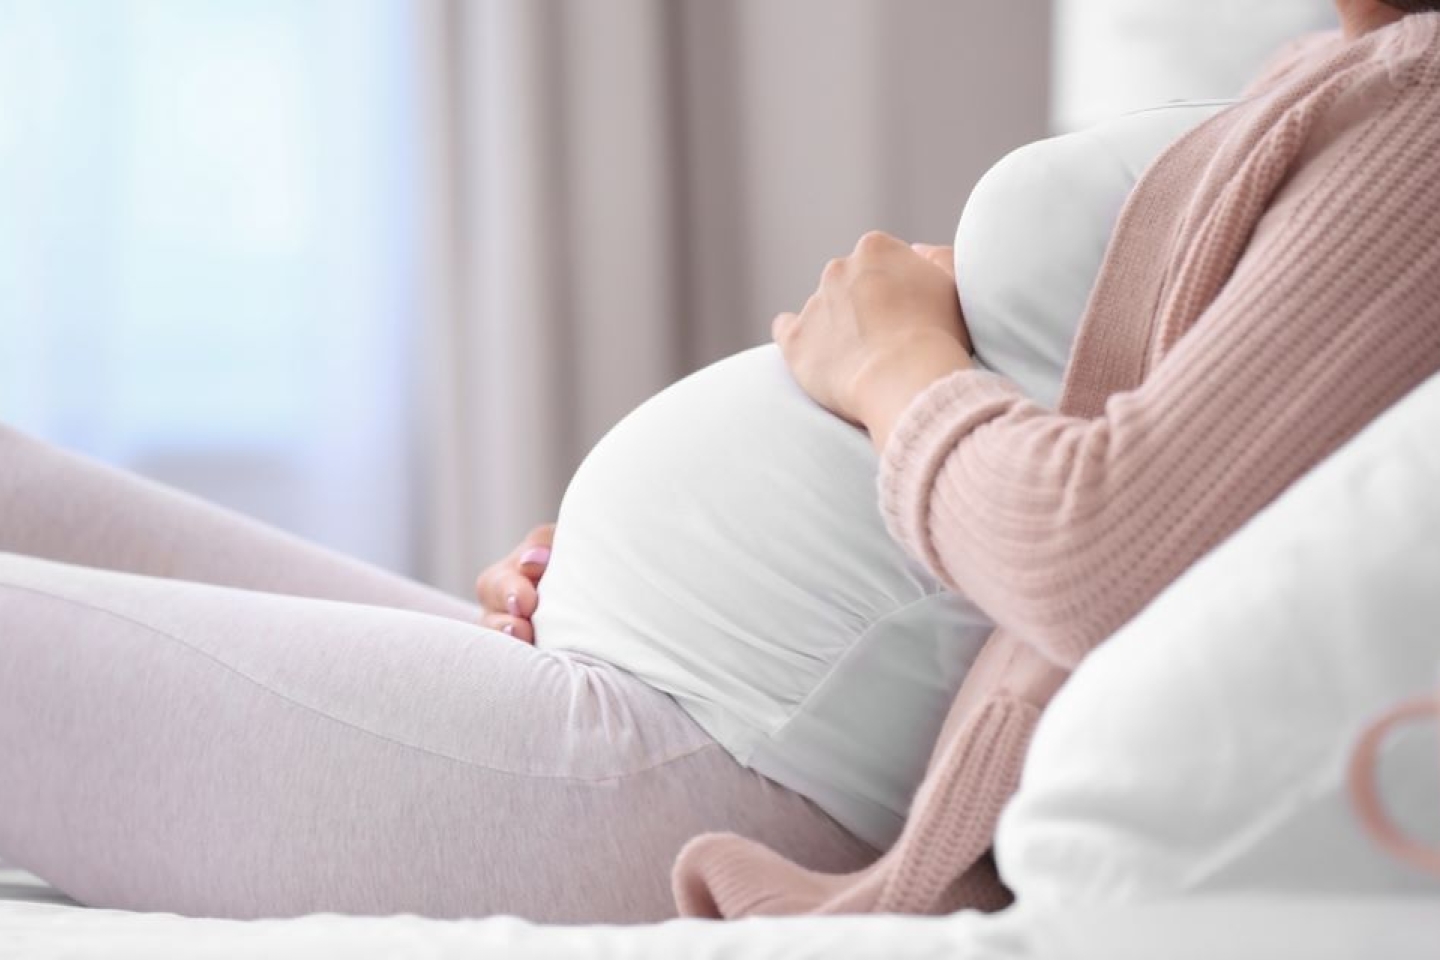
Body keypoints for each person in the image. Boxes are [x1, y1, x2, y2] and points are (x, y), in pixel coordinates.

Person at [2, 0, 1438, 925]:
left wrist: (891, 369)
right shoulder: (1344, 75)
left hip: (700, 758)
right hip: (647, 684)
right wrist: (616, 574)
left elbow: (1107, 556)